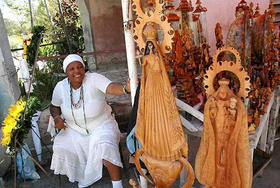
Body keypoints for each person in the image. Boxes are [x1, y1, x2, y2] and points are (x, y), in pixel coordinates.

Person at [49, 54, 130, 188]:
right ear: (66, 72)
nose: (77, 71)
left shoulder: (93, 79)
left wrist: (125, 89)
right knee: (61, 146)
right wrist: (57, 118)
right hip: (74, 129)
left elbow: (110, 87)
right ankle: (83, 174)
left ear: (84, 68)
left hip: (102, 125)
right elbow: (54, 105)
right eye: (72, 69)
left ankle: (117, 185)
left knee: (105, 144)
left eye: (80, 67)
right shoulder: (60, 87)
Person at [195, 78, 252, 188]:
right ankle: (213, 180)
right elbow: (209, 119)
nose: (222, 94)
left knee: (229, 160)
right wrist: (212, 110)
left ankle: (227, 180)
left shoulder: (236, 105)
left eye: (225, 92)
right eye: (220, 92)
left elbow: (239, 121)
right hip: (216, 137)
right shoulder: (213, 102)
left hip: (229, 138)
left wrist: (232, 119)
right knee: (214, 159)